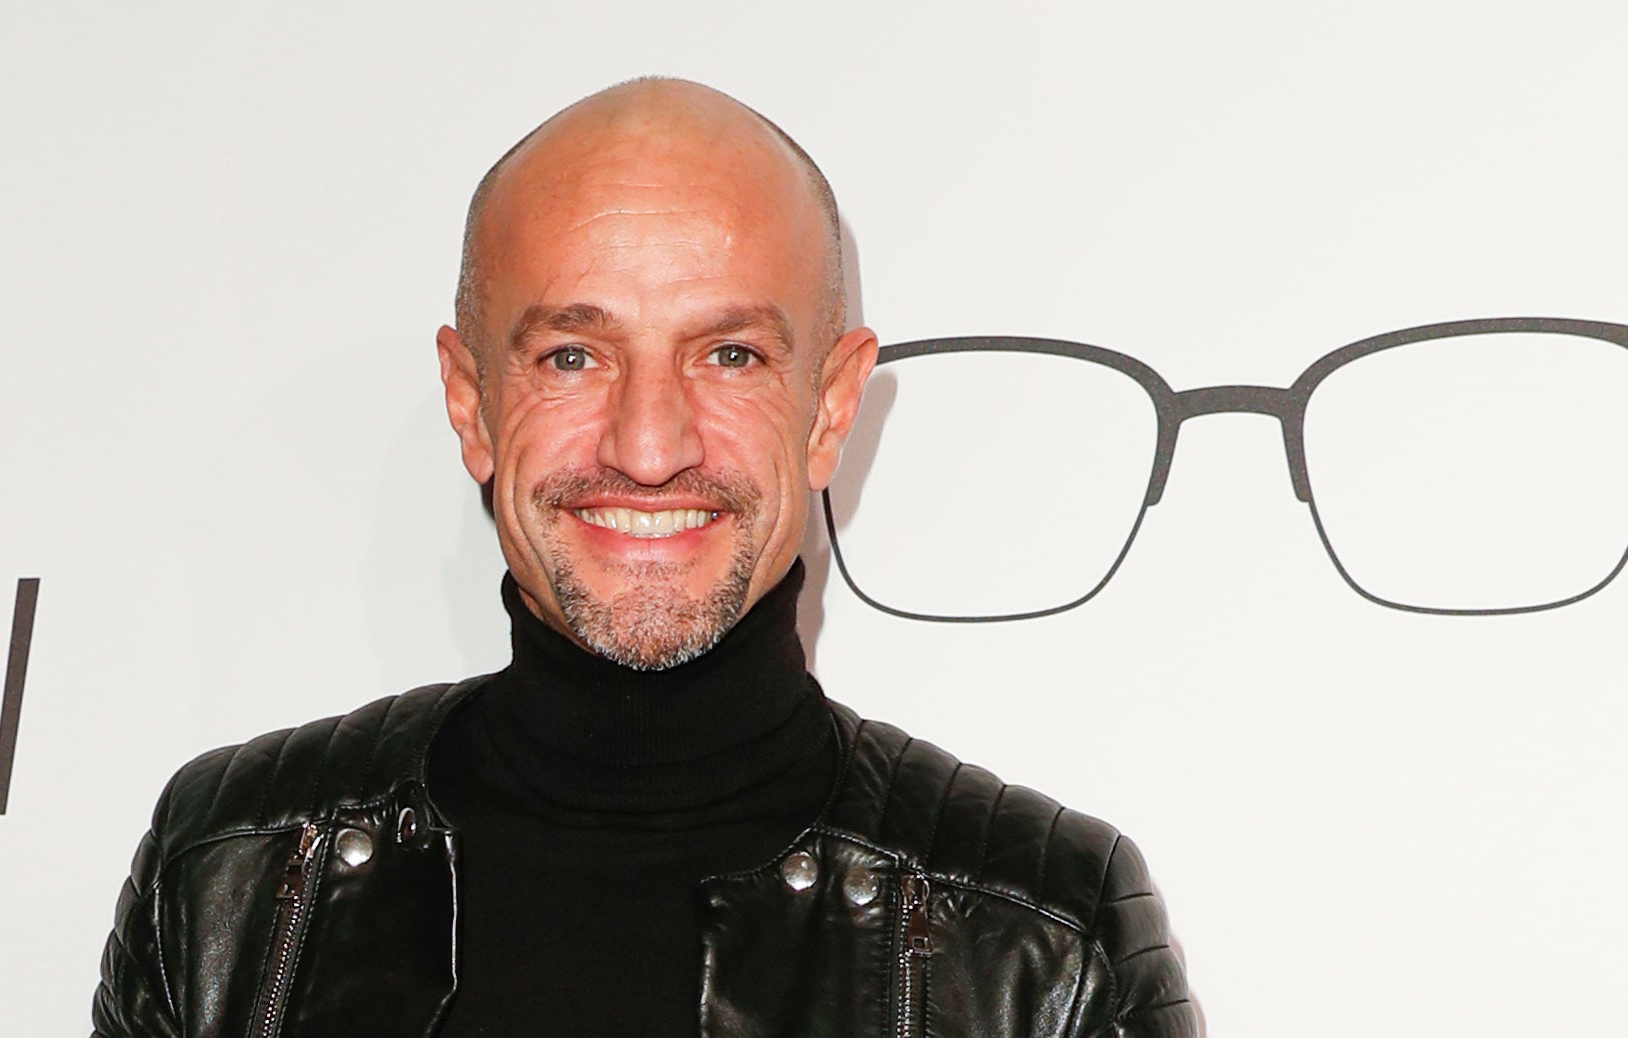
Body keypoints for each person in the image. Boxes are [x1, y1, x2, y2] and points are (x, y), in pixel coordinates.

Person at [92, 77, 1195, 1038]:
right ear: (471, 404)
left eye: (729, 355)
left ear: (829, 407)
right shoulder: (227, 869)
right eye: (572, 356)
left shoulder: (1042, 931)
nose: (650, 448)